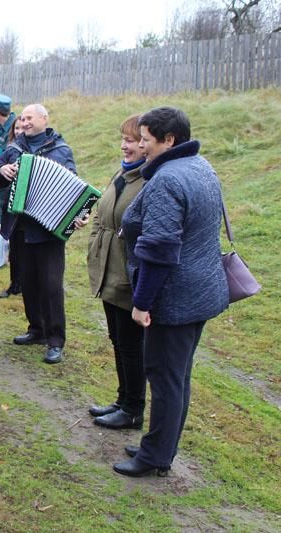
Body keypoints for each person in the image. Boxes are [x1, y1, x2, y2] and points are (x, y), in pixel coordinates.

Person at [114, 107, 228, 477]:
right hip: (201, 290)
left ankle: (154, 457)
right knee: (177, 375)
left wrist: (141, 302)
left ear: (169, 140)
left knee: (164, 377)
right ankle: (161, 445)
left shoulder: (167, 180)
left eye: (146, 139)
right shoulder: (199, 165)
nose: (141, 145)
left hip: (175, 296)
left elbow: (160, 250)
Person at [0, 103, 78, 364]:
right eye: (23, 119)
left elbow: (73, 185)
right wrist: (1, 171)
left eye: (29, 118)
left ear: (44, 119)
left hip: (49, 228)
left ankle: (55, 340)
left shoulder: (61, 150)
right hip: (19, 226)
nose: (24, 122)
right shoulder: (14, 148)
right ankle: (36, 329)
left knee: (51, 285)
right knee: (27, 282)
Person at [86, 115, 147, 430]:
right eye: (123, 139)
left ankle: (134, 410)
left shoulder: (148, 181)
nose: (125, 145)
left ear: (148, 143)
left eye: (132, 140)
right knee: (117, 339)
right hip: (107, 270)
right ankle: (122, 400)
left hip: (127, 274)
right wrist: (96, 242)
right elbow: (102, 214)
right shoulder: (121, 174)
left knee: (131, 344)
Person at [0, 114, 24, 298]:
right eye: (16, 128)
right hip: (10, 204)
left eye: (23, 128)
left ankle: (29, 285)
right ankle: (15, 284)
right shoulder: (10, 150)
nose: (20, 131)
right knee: (13, 248)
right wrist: (1, 170)